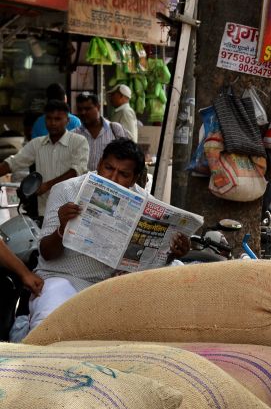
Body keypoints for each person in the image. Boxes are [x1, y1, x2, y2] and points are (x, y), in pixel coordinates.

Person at [30, 139, 189, 329]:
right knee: (49, 324)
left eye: (123, 174)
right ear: (99, 164)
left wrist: (173, 251)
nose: (113, 178)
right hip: (65, 278)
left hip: (114, 286)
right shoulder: (66, 190)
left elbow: (152, 261)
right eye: (108, 168)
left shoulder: (145, 203)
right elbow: (47, 253)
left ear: (134, 178)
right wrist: (62, 228)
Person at [0, 100, 91, 212]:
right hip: (45, 212)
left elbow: (77, 170)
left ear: (67, 120)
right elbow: (13, 163)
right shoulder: (37, 144)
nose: (52, 123)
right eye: (49, 118)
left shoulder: (79, 142)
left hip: (71, 211)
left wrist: (47, 186)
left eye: (57, 119)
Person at [74, 92, 133, 172]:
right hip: (82, 182)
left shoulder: (115, 129)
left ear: (98, 107)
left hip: (108, 181)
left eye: (87, 109)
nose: (83, 112)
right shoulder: (75, 134)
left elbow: (128, 155)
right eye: (80, 109)